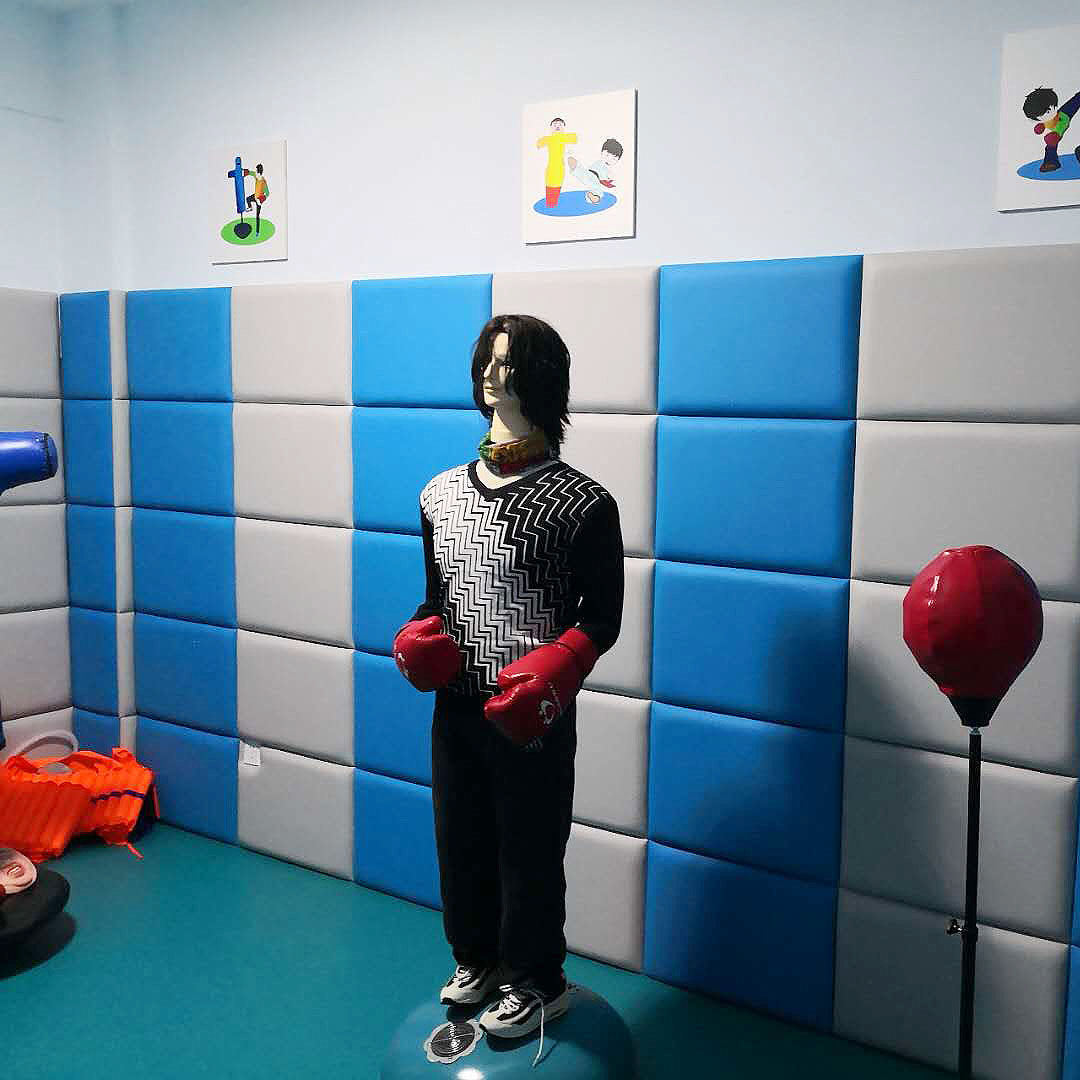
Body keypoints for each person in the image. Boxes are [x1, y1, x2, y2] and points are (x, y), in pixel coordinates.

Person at [392, 314, 624, 1040]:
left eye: (511, 363)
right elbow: (436, 596)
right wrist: (415, 637)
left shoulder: (583, 502)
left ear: (542, 377)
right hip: (457, 706)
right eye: (488, 362)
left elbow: (603, 616)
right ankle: (478, 957)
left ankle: (537, 980)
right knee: (458, 838)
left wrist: (563, 663)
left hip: (532, 712)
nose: (495, 376)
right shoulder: (439, 494)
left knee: (529, 849)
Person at [1022, 87, 1080, 172]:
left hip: (1061, 121)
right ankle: (1051, 162)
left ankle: (1051, 162)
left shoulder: (1054, 115)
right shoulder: (1047, 118)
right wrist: (1041, 126)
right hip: (1061, 117)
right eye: (1038, 118)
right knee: (1051, 145)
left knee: (1051, 143)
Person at [536, 118, 578, 208]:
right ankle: (551, 205)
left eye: (560, 124)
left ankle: (553, 204)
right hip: (551, 167)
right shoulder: (548, 139)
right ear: (551, 127)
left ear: (564, 127)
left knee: (557, 185)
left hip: (560, 167)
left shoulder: (566, 137)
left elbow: (577, 139)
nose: (557, 126)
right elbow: (538, 144)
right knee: (550, 185)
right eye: (555, 124)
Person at [567, 138, 623, 204]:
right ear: (602, 152)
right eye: (607, 155)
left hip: (588, 174)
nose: (609, 159)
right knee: (597, 190)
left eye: (614, 159)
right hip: (592, 176)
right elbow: (603, 178)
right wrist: (608, 180)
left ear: (618, 160)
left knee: (580, 170)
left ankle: (574, 164)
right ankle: (594, 196)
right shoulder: (604, 166)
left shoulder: (603, 165)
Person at [243, 163, 269, 234]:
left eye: (256, 171)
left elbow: (267, 193)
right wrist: (244, 172)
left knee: (257, 216)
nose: (255, 172)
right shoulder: (256, 175)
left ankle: (257, 232)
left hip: (259, 200)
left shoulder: (263, 181)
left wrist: (261, 200)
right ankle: (250, 207)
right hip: (255, 196)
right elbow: (250, 173)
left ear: (259, 172)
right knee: (248, 199)